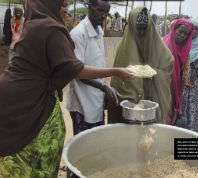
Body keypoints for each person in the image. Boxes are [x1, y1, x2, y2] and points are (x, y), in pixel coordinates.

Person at [0, 0, 133, 177]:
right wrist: (115, 72)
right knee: (37, 154)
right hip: (27, 101)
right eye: (62, 6)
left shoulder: (32, 25)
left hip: (14, 96)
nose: (67, 12)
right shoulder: (51, 29)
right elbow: (75, 69)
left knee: (16, 158)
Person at [110, 7, 173, 124]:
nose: (141, 33)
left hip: (153, 100)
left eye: (145, 29)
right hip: (130, 106)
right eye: (137, 29)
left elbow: (167, 65)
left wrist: (152, 72)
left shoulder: (158, 46)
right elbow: (119, 83)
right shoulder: (124, 49)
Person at [65, 0, 119, 135]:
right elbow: (77, 72)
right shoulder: (78, 34)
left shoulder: (99, 31)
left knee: (96, 141)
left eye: (106, 13)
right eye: (100, 11)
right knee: (83, 145)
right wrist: (104, 87)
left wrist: (103, 88)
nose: (103, 16)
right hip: (81, 101)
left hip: (96, 98)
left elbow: (97, 64)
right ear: (90, 8)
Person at [175, 20, 198, 134]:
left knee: (196, 111)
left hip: (197, 85)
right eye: (192, 28)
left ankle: (196, 134)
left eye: (196, 28)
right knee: (181, 111)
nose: (193, 31)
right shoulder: (180, 42)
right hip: (180, 84)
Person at [163, 18, 194, 125]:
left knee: (172, 110)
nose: (181, 35)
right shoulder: (164, 43)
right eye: (180, 31)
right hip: (162, 83)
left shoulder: (186, 49)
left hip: (176, 85)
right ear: (175, 29)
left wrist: (185, 81)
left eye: (185, 34)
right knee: (162, 108)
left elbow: (186, 68)